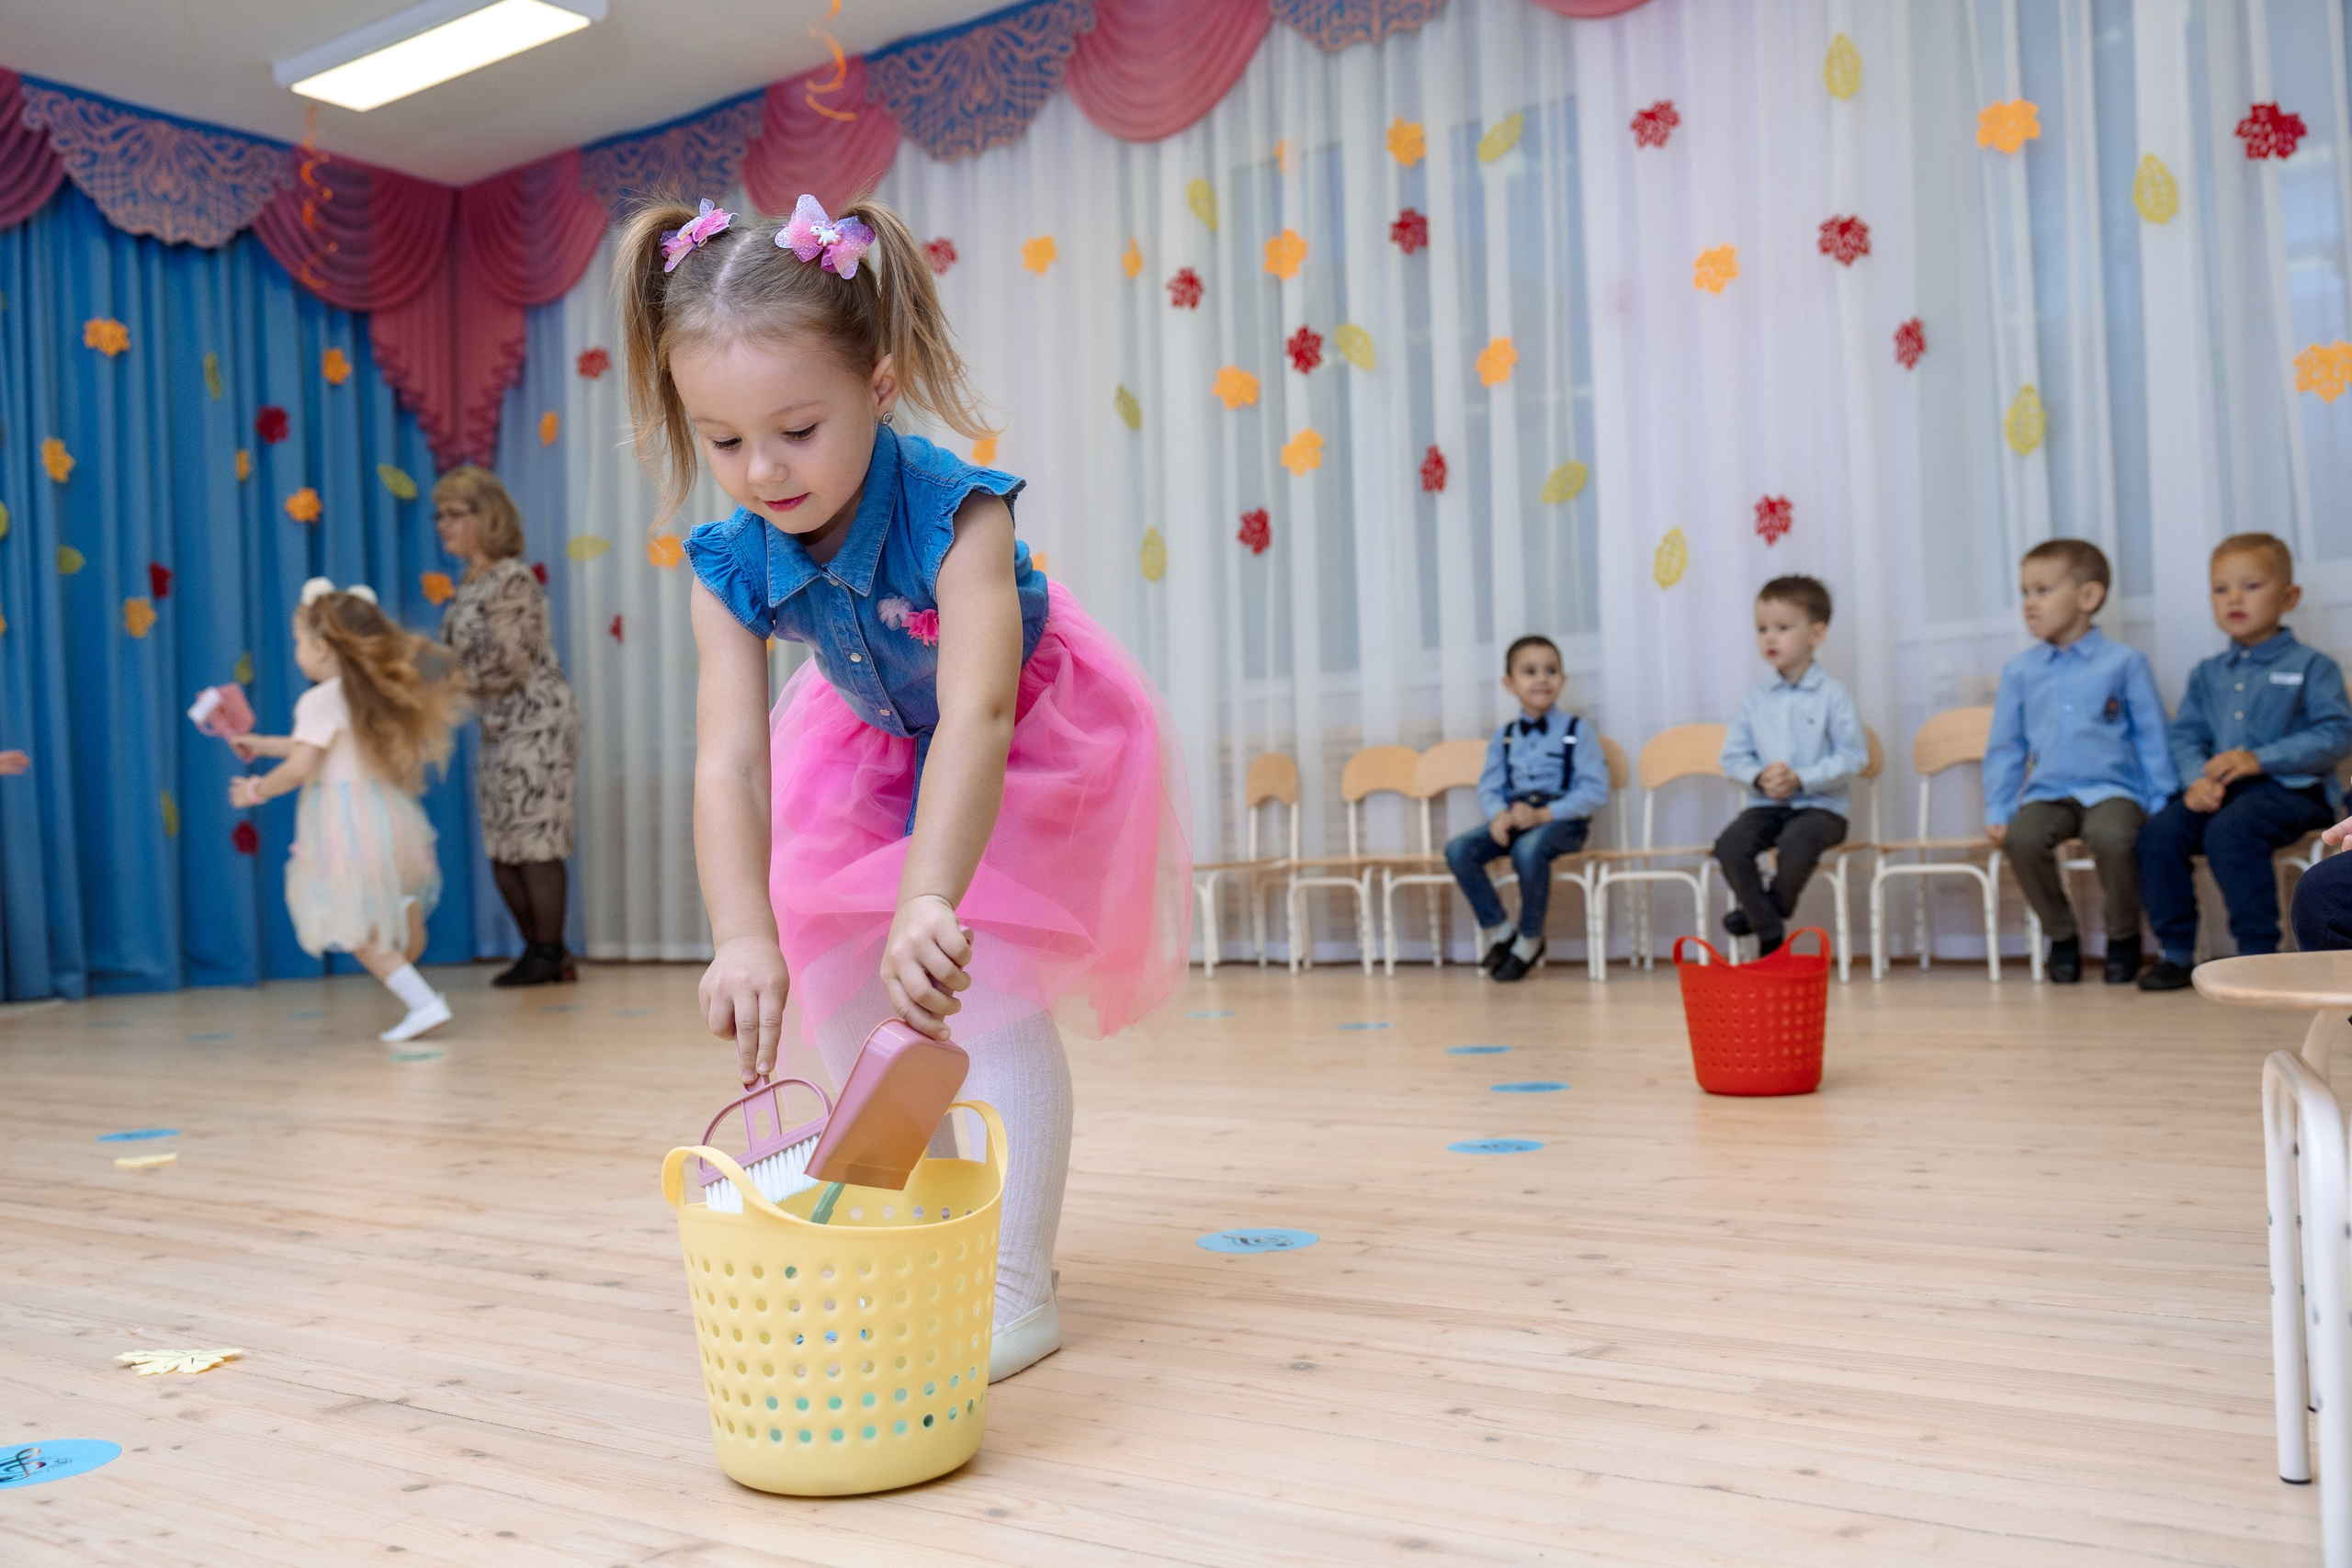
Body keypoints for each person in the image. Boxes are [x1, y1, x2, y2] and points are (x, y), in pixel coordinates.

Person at [620, 194, 1190, 1382]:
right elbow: (728, 760)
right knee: (841, 976)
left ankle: (1019, 1285)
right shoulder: (729, 565)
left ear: (879, 387)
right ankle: (934, 1223)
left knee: (974, 989)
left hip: (1024, 732)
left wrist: (933, 893)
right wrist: (743, 933)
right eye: (724, 442)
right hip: (872, 733)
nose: (762, 470)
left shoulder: (961, 514)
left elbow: (978, 711)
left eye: (796, 428)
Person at [229, 579, 467, 1042]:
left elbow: (301, 768)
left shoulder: (316, 700)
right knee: (372, 911)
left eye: (298, 640)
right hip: (381, 812)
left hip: (342, 824)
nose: (296, 649)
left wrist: (256, 790)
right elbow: (317, 747)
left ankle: (424, 1004)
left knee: (356, 927)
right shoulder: (358, 696)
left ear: (320, 648)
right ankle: (401, 910)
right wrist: (262, 746)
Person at [2135, 536, 2350, 989]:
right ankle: (2175, 952)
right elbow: (2186, 736)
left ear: (2289, 597)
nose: (2234, 598)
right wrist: (2195, 779)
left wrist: (2259, 759)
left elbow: (2335, 734)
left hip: (2292, 791)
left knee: (2231, 831)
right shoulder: (2207, 673)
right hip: (2220, 793)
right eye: (2221, 589)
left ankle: (2257, 954)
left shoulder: (2314, 666)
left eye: (2250, 586)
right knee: (2160, 832)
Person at [1984, 539, 2177, 984]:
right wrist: (1999, 808)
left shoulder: (2125, 663)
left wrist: (2162, 796)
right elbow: (2006, 747)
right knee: (2024, 839)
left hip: (2114, 789)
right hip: (2049, 790)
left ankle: (2123, 938)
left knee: (2112, 838)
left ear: (2088, 597)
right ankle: (2062, 937)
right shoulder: (2020, 672)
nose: (2030, 604)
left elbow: (2151, 734)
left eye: (2043, 590)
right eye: (2025, 593)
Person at [434, 466, 582, 987]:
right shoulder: (469, 584)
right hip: (498, 729)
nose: (443, 525)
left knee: (534, 841)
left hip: (536, 725)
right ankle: (543, 952)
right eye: (440, 515)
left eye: (455, 514)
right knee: (504, 843)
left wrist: (438, 677)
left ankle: (548, 953)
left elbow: (505, 665)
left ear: (487, 517)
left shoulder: (511, 578)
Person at [1713, 575, 1868, 957]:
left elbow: (1854, 757)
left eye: (1782, 628)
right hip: (1766, 805)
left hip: (1821, 808)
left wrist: (1801, 779)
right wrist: (1758, 776)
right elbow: (1732, 756)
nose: (1769, 638)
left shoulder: (1834, 695)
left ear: (1816, 635)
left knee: (1796, 841)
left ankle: (1764, 915)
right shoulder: (1755, 700)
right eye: (1762, 629)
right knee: (1730, 846)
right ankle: (1769, 929)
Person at [1442, 636, 1609, 981]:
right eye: (1530, 672)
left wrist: (1545, 815)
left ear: (1562, 680)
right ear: (1510, 684)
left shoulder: (1578, 731)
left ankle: (1530, 937)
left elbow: (1594, 790)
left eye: (1551, 671)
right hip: (1517, 816)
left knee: (1528, 849)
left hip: (1563, 821)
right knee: (1459, 850)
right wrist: (1498, 814)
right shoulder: (1503, 737)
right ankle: (1501, 931)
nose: (1542, 679)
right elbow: (1490, 787)